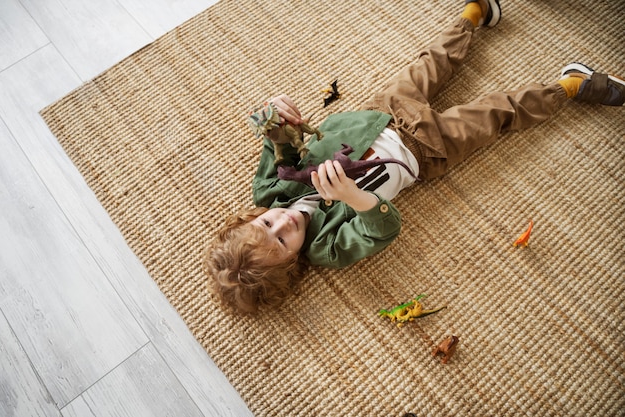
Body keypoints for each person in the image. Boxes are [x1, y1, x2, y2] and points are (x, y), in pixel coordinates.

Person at [204, 0, 625, 314]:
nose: (284, 222)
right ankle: (569, 86)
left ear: (252, 216)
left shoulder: (269, 191)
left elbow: (281, 144)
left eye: (266, 222)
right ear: (291, 263)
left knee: (435, 62)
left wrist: (277, 117)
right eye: (282, 240)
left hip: (381, 113)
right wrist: (352, 197)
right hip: (425, 150)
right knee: (500, 113)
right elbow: (381, 230)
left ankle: (475, 14)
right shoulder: (326, 248)